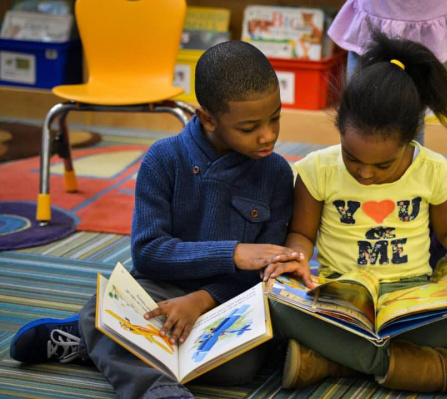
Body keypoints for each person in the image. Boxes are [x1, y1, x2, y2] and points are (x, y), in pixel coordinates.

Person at [10, 41, 299, 399]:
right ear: (207, 117)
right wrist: (232, 253)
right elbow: (148, 252)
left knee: (242, 368)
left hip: (229, 299)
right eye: (249, 127)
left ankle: (95, 344)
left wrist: (204, 299)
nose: (268, 135)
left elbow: (263, 275)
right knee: (101, 310)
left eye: (275, 118)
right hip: (161, 289)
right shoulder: (163, 159)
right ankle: (156, 388)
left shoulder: (276, 173)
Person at [262, 31, 447, 395]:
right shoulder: (317, 169)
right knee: (273, 305)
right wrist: (295, 258)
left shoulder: (433, 170)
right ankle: (427, 368)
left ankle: (334, 359)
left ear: (411, 139)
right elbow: (303, 235)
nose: (365, 173)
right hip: (342, 294)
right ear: (340, 129)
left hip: (410, 298)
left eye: (383, 165)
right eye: (353, 158)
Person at [328, 0, 447, 145]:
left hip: (426, 14)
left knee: (408, 121)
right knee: (357, 115)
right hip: (376, 11)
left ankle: (409, 166)